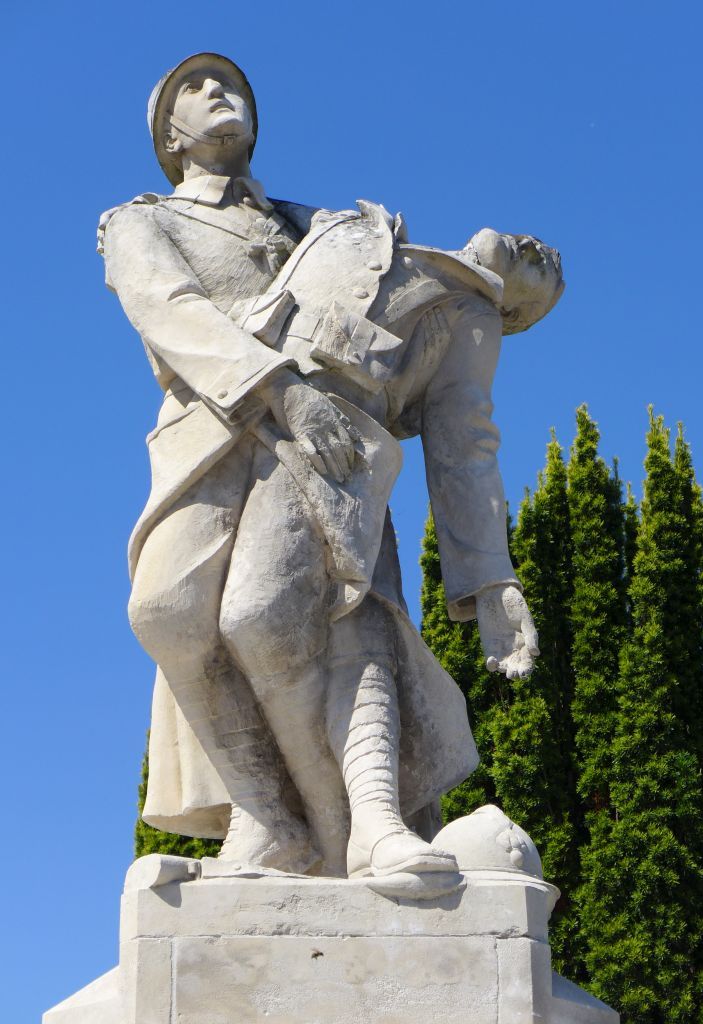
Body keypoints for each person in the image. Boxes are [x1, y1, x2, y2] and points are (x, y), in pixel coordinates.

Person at [99, 52, 562, 885]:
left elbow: (438, 384)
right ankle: (270, 813)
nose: (217, 92)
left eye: (230, 83)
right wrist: (280, 388)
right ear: (170, 136)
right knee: (166, 611)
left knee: (333, 609)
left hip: (326, 439)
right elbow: (171, 309)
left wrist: (489, 575)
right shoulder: (140, 222)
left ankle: (362, 821)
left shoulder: (326, 227)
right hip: (209, 433)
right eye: (193, 89)